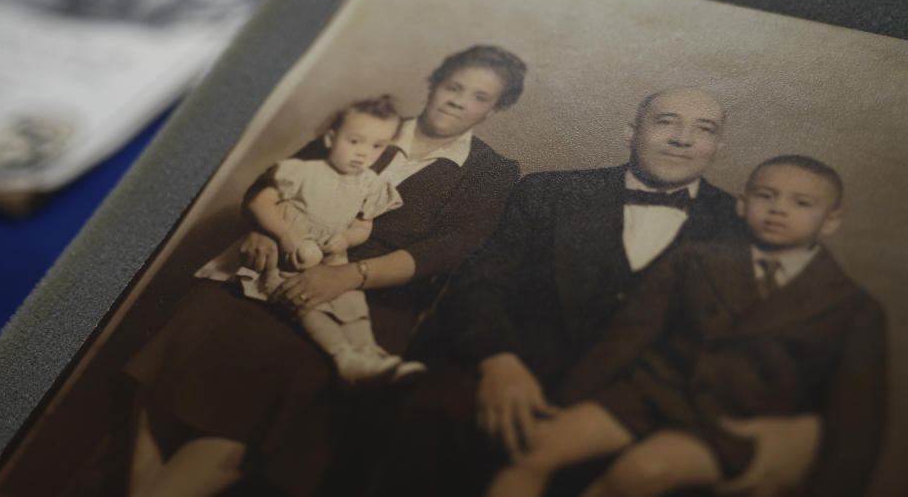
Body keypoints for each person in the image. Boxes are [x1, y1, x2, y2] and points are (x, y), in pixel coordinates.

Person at [121, 45, 527, 497]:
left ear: (495, 108)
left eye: (478, 97)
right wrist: (262, 231)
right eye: (453, 86)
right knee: (203, 316)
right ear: (433, 83)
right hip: (281, 267)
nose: (458, 100)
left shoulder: (490, 172)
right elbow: (272, 185)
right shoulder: (364, 126)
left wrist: (348, 276)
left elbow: (449, 249)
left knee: (286, 376)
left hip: (371, 304)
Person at [352, 87, 743, 496]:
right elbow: (478, 285)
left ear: (717, 146)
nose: (682, 138)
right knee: (429, 409)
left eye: (704, 129)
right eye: (666, 122)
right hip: (516, 377)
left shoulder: (740, 225)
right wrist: (498, 363)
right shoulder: (548, 192)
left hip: (639, 408)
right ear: (630, 131)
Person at [485, 155, 887, 497]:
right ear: (743, 204)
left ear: (831, 221)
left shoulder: (852, 306)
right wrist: (566, 403)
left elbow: (857, 419)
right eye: (766, 196)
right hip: (650, 394)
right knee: (534, 450)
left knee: (643, 471)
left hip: (729, 421)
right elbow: (626, 338)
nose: (779, 209)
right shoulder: (695, 260)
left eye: (802, 203)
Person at [195, 95, 424, 383]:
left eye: (376, 146)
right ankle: (343, 356)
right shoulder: (304, 172)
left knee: (351, 300)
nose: (363, 153)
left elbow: (362, 225)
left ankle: (371, 355)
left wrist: (345, 239)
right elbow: (260, 203)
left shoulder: (371, 184)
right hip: (286, 259)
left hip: (330, 261)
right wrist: (288, 236)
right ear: (330, 138)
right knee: (307, 301)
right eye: (354, 141)